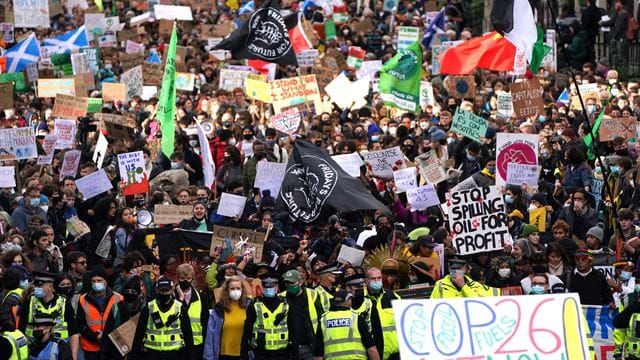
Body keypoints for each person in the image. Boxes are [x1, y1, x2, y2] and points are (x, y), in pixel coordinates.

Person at [18, 271, 79, 358]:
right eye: (35, 285)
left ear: (50, 286)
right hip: (33, 351)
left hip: (59, 352)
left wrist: (74, 354)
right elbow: (21, 329)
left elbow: (74, 332)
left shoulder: (64, 302)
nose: (36, 288)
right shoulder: (29, 301)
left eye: (39, 285)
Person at [130, 277, 194, 359]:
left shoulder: (180, 308)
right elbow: (138, 336)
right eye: (161, 290)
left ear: (172, 290)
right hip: (152, 354)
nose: (164, 293)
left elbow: (188, 336)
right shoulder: (148, 308)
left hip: (174, 355)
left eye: (166, 290)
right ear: (157, 290)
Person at [313, 289, 380, 360]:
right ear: (347, 301)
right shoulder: (356, 318)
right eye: (350, 299)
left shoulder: (323, 320)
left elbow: (318, 354)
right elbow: (371, 349)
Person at [76, 265, 122, 359]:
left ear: (106, 281)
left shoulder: (119, 298)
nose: (96, 283)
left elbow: (122, 323)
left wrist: (106, 337)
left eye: (99, 280)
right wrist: (95, 336)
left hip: (112, 348)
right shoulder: (83, 299)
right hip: (91, 348)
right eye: (93, 281)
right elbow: (80, 323)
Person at [240, 277, 289, 360]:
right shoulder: (255, 304)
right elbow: (247, 330)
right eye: (266, 288)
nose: (269, 290)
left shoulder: (285, 304)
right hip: (260, 353)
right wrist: (244, 354)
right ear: (262, 288)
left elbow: (293, 329)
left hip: (282, 353)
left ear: (277, 288)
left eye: (272, 288)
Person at [279, 269, 323, 360]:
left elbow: (321, 319)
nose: (289, 286)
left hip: (309, 345)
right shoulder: (280, 297)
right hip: (289, 346)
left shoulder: (313, 294)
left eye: (292, 283)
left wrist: (319, 349)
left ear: (300, 282)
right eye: (287, 283)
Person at [100, 275, 146, 360]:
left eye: (133, 291)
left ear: (139, 294)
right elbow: (106, 336)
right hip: (117, 354)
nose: (130, 293)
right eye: (127, 291)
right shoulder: (116, 308)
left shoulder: (144, 309)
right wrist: (104, 355)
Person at [204, 276, 249, 360]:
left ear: (242, 289)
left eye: (238, 288)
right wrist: (209, 357)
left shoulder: (249, 307)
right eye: (232, 288)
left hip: (245, 354)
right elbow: (210, 337)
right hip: (224, 355)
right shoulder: (219, 309)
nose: (236, 291)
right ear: (226, 290)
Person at [175, 263, 210, 359]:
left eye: (188, 278)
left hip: (196, 343)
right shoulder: (172, 296)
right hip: (177, 342)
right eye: (182, 278)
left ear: (192, 278)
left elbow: (205, 320)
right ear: (177, 278)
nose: (185, 281)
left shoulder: (201, 297)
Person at [365, 267, 401, 360]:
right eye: (373, 279)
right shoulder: (361, 299)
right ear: (366, 281)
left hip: (395, 353)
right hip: (373, 353)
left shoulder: (393, 297)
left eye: (379, 278)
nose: (376, 281)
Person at [430, 259, 500, 298]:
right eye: (453, 268)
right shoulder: (440, 285)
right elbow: (431, 304)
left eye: (459, 268)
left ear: (465, 269)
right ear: (449, 268)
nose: (456, 271)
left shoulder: (475, 285)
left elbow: (479, 304)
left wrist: (463, 286)